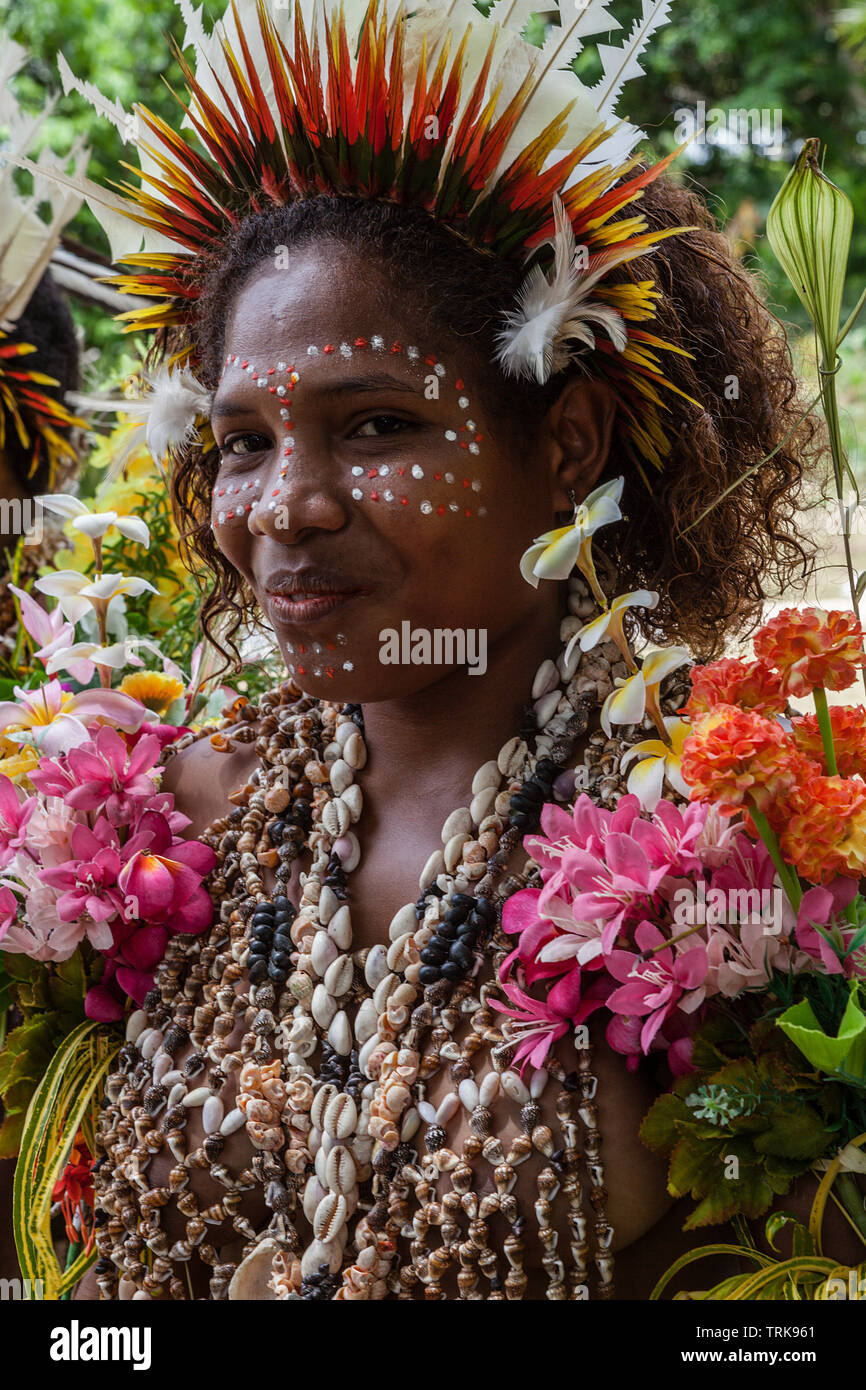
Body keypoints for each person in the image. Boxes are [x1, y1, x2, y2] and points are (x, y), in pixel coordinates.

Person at [49, 0, 825, 1298]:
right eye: (243, 442)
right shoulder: (147, 843)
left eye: (376, 426)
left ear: (567, 442)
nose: (286, 505)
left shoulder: (733, 882)